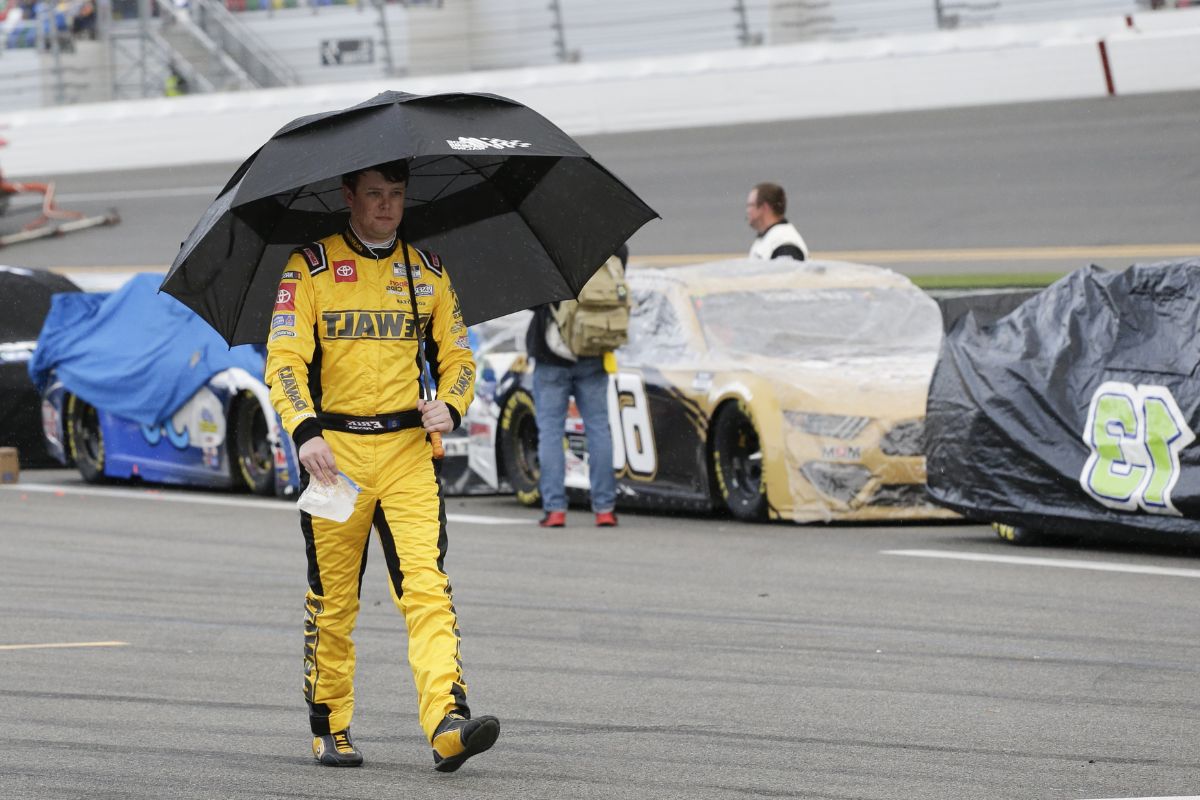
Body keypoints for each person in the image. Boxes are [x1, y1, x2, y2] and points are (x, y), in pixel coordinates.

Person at [265, 159, 500, 772]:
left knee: (428, 587)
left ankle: (447, 724)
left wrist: (450, 404)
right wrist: (305, 431)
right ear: (349, 196)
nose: (387, 207)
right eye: (374, 195)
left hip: (406, 457)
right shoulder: (308, 268)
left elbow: (460, 357)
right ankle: (330, 725)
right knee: (335, 600)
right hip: (333, 460)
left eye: (396, 195)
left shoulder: (426, 272)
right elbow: (284, 362)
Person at [524, 245, 626, 529]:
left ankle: (555, 509)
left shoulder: (549, 245)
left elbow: (533, 300)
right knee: (598, 429)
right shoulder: (615, 247)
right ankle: (605, 508)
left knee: (551, 432)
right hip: (594, 349)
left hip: (551, 354)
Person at [746, 182, 809, 261]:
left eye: (750, 205)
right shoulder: (769, 238)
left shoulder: (784, 244)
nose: (747, 210)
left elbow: (788, 273)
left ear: (765, 207)